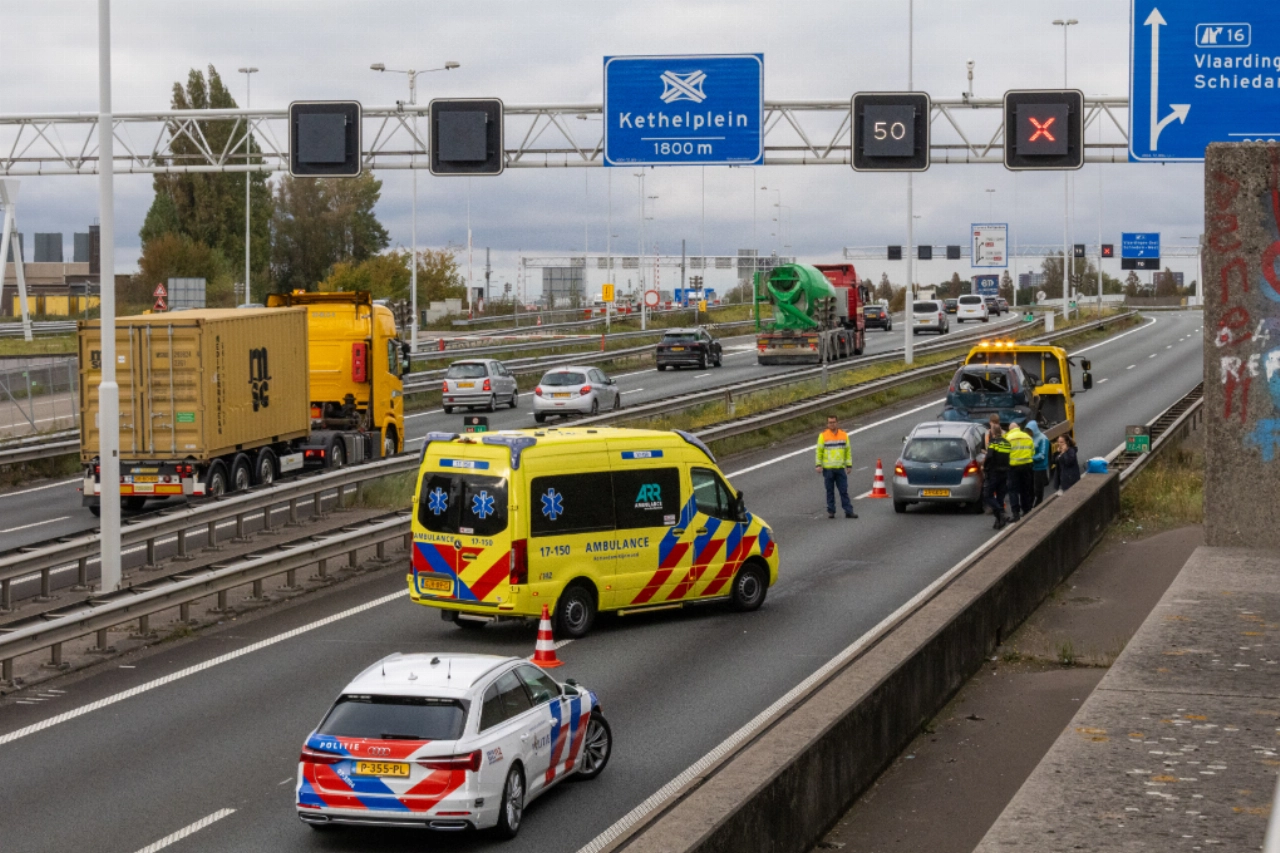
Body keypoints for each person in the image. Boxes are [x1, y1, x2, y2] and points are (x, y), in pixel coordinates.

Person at [815, 415, 857, 519]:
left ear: (837, 423)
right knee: (830, 491)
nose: (832, 424)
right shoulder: (823, 436)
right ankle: (831, 511)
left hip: (840, 468)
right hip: (828, 469)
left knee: (843, 490)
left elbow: (848, 451)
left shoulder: (844, 435)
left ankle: (848, 511)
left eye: (833, 422)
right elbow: (819, 451)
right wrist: (818, 465)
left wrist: (849, 465)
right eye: (830, 422)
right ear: (827, 424)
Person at [1004, 420, 1035, 521]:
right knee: (1025, 489)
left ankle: (1016, 514)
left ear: (1010, 429)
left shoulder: (1007, 438)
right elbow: (1032, 451)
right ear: (1018, 427)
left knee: (1013, 491)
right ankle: (1027, 510)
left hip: (1013, 468)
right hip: (1027, 466)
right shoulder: (1027, 437)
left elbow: (1005, 454)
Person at [983, 423, 1011, 529]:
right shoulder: (1007, 443)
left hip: (994, 473)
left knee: (988, 495)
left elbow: (989, 456)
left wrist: (985, 467)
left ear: (993, 433)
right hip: (1004, 473)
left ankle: (1000, 512)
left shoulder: (993, 442)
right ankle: (999, 521)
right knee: (1000, 497)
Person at [1027, 420, 1051, 507]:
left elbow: (1042, 455)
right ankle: (1030, 507)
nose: (1029, 432)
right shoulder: (1030, 438)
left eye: (1030, 430)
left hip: (1040, 468)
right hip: (1032, 467)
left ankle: (1038, 506)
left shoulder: (1043, 439)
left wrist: (1030, 458)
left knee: (1038, 490)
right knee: (1030, 489)